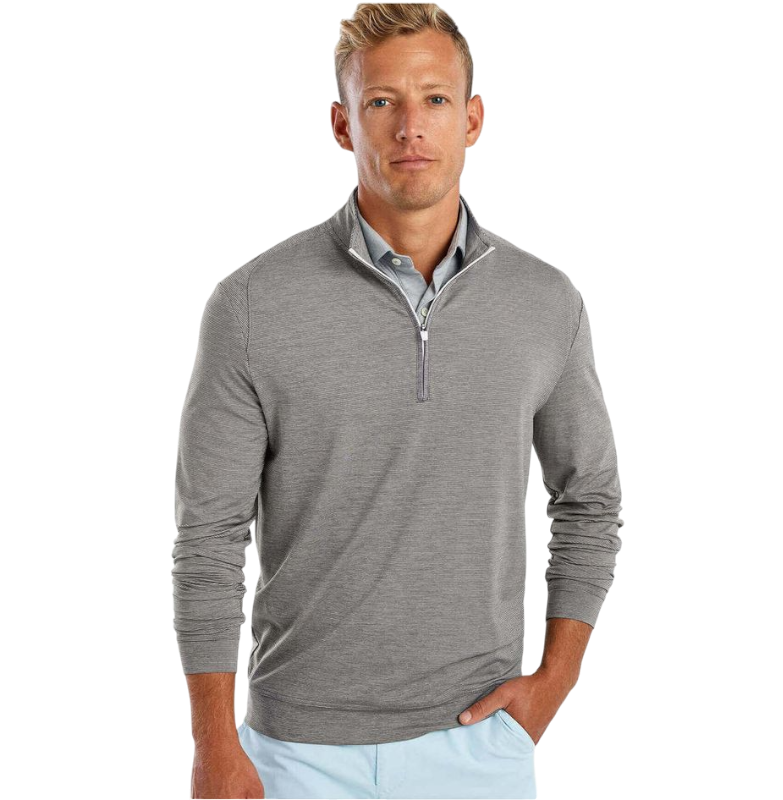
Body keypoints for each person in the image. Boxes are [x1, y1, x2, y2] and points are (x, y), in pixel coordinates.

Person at [172, 3, 624, 798]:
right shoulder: (249, 305)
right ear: (343, 125)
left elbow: (588, 499)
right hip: (293, 755)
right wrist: (214, 746)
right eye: (381, 101)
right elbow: (209, 537)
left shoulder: (545, 301)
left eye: (435, 98)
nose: (411, 126)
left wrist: (555, 680)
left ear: (473, 119)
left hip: (478, 744)